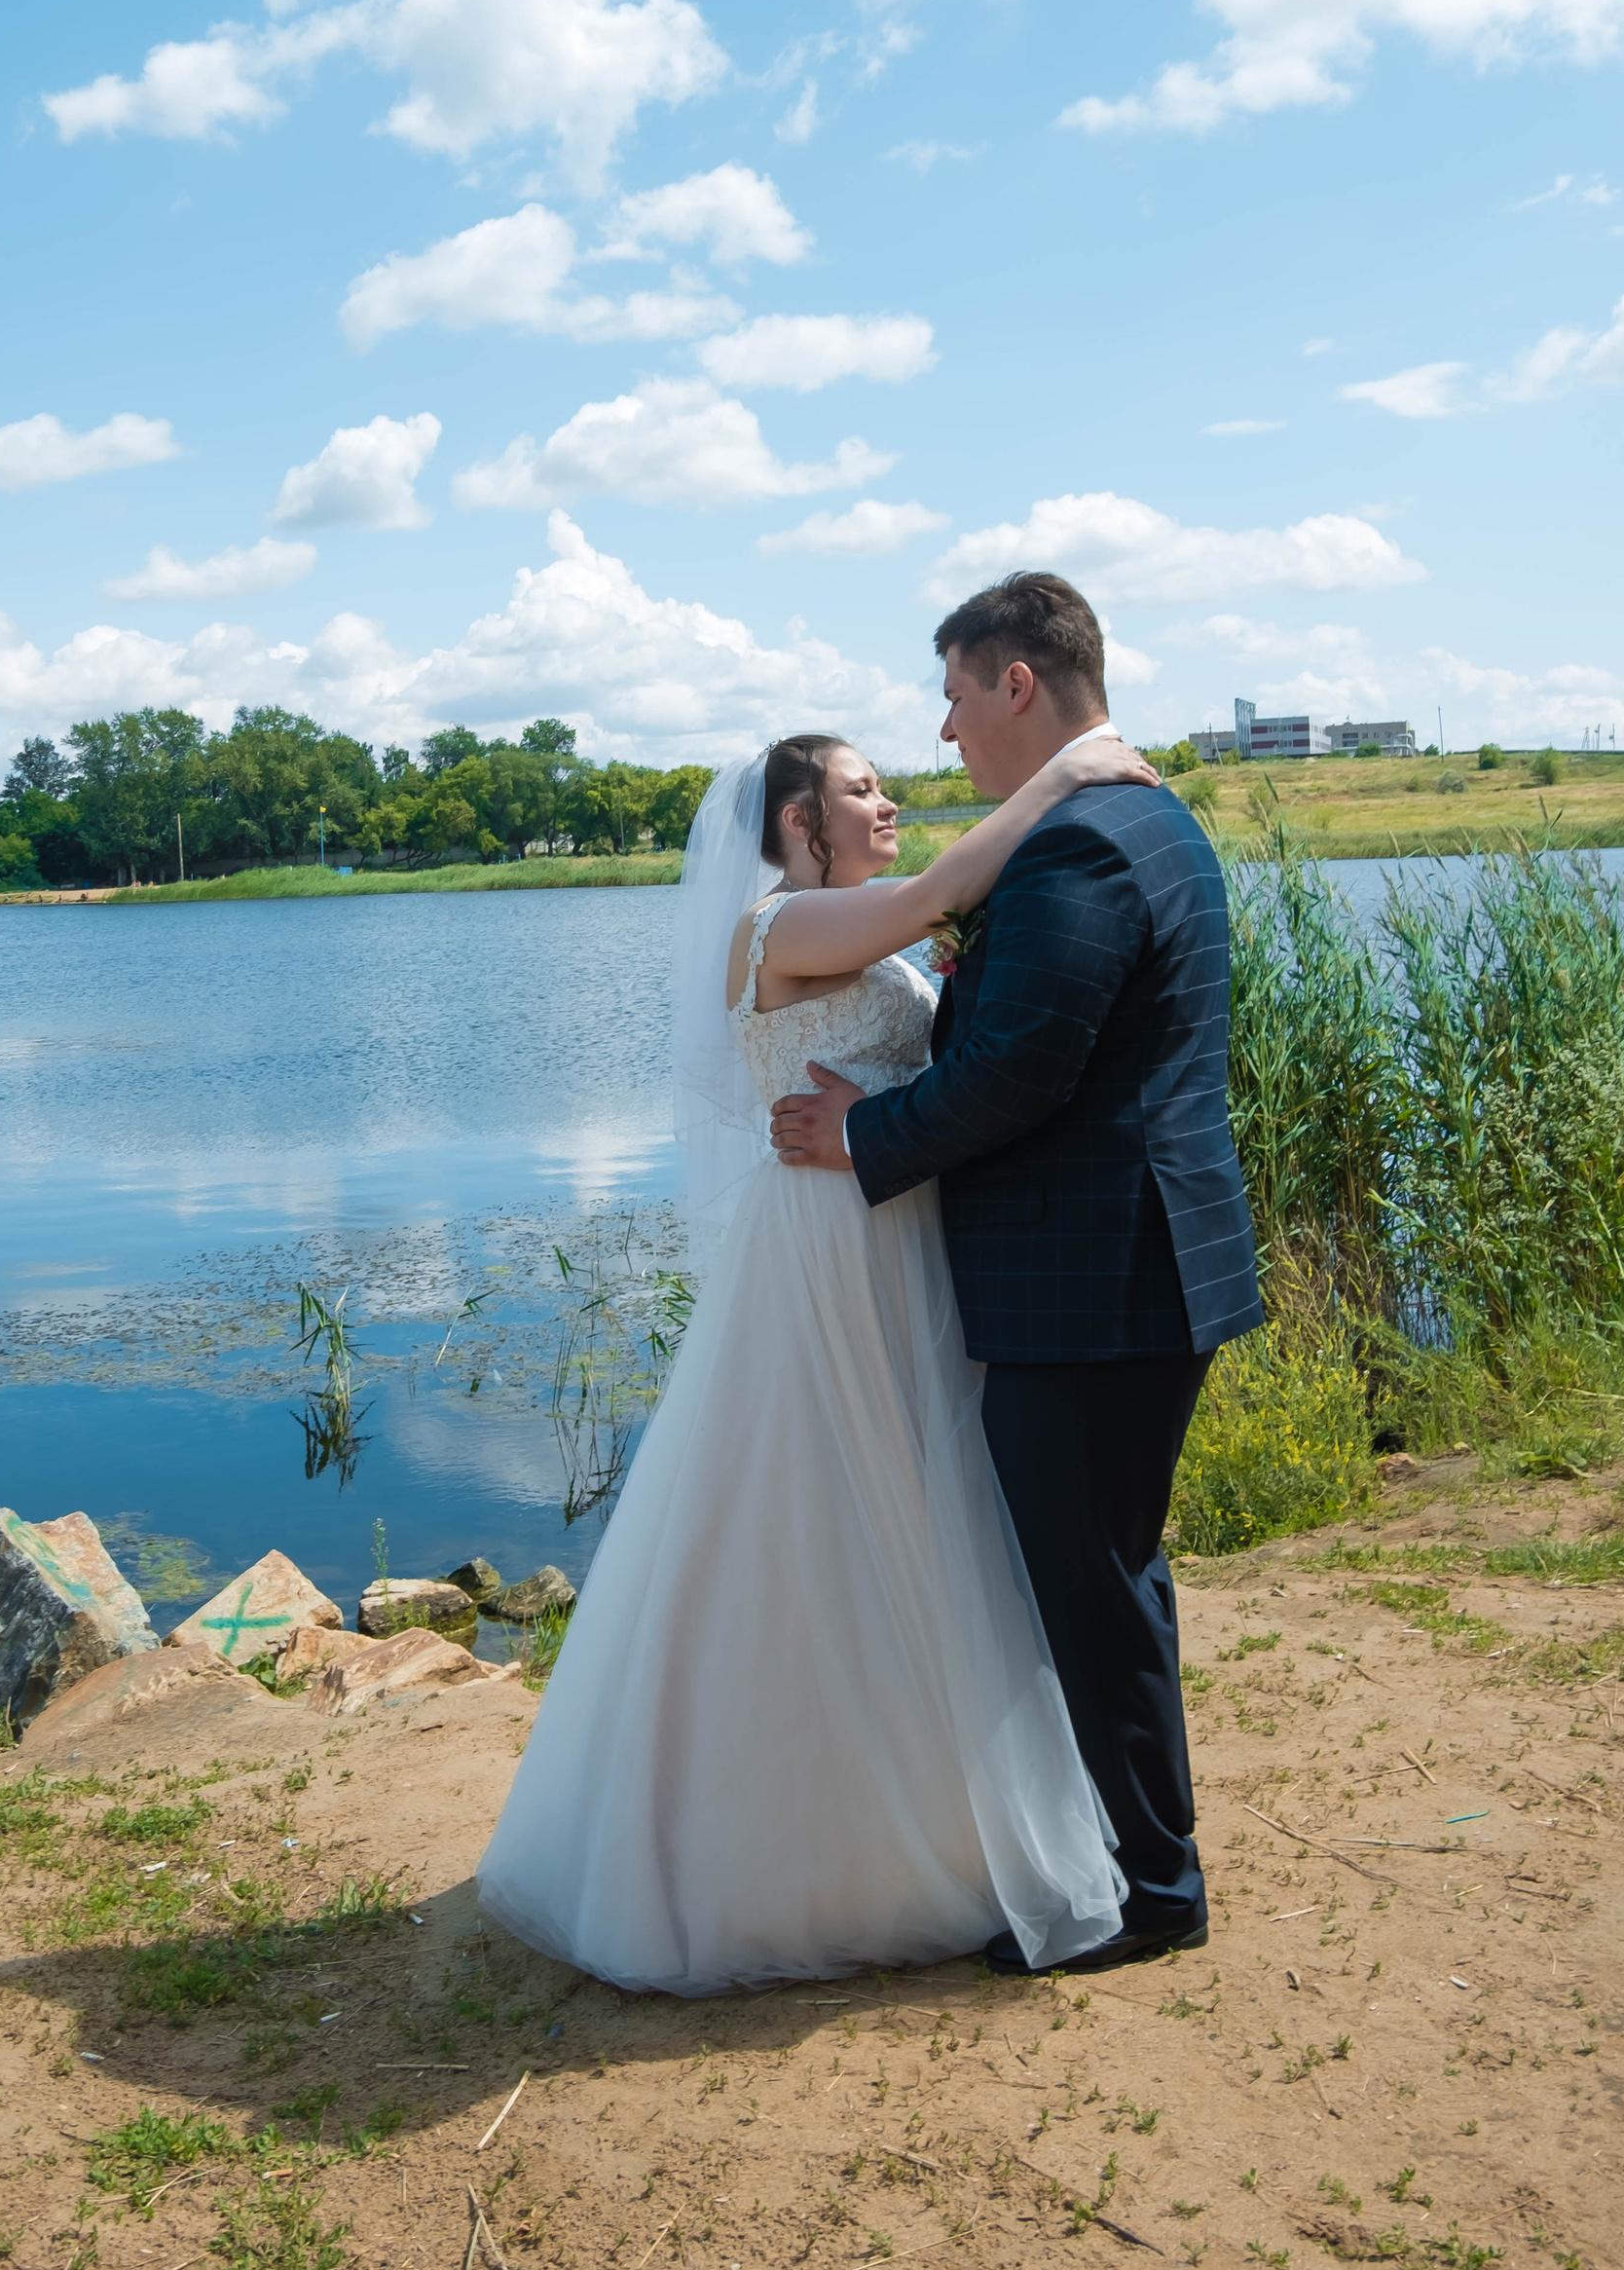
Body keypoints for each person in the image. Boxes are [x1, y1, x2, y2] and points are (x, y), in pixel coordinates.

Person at [474, 719, 1158, 1995]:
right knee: (813, 1524)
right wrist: (1061, 773)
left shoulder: (863, 926)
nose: (887, 801)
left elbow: (935, 951)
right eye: (860, 790)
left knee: (923, 1516)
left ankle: (944, 1814)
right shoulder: (781, 929)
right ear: (798, 826)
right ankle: (786, 1853)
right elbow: (950, 887)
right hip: (828, 1257)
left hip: (901, 1245)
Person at [769, 572, 1263, 1975]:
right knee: (1111, 1575)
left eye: (953, 696)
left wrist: (863, 1132)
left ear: (1018, 687)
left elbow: (1020, 1075)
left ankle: (1154, 1894)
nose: (944, 733)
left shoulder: (1082, 852)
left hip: (1097, 1283)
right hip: (1128, 1271)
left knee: (1091, 1585)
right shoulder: (1138, 820)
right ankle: (1137, 1862)